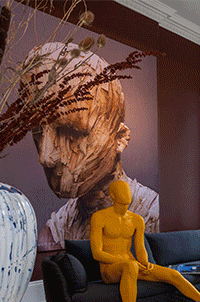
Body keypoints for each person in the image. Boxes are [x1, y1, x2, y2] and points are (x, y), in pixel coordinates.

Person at [20, 42, 159, 251]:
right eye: (37, 130)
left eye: (72, 132)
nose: (45, 157)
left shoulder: (152, 216)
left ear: (120, 138)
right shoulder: (56, 229)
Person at [90, 180, 200, 302]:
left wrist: (145, 262)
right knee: (130, 265)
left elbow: (140, 248)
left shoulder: (137, 220)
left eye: (127, 189)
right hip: (109, 270)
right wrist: (125, 261)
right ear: (113, 195)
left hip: (132, 265)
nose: (126, 192)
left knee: (173, 274)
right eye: (121, 189)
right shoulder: (99, 217)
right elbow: (97, 254)